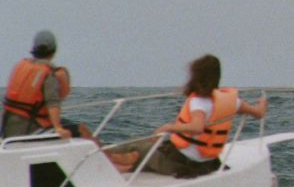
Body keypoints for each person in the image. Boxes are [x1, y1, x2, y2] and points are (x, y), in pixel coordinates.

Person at [113, 54, 267, 177]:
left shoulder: (199, 102)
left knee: (134, 145)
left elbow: (197, 127)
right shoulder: (233, 102)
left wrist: (168, 127)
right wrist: (262, 102)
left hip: (183, 163)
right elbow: (258, 113)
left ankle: (115, 163)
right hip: (208, 162)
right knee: (151, 146)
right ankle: (125, 164)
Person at [0, 30, 93, 142]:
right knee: (82, 129)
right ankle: (102, 157)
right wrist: (58, 128)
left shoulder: (21, 66)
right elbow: (53, 104)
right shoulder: (48, 74)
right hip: (29, 130)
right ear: (54, 51)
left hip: (6, 129)